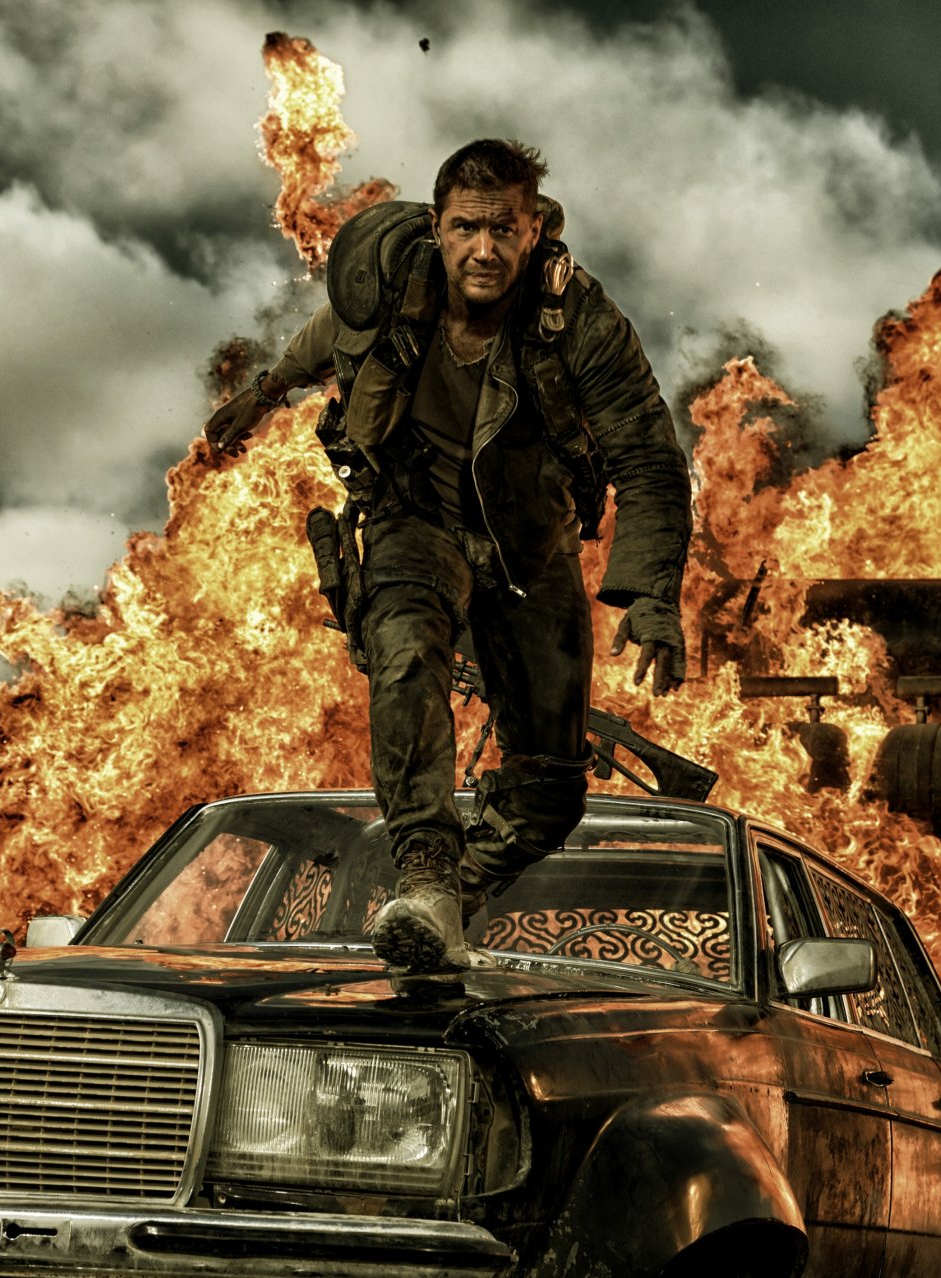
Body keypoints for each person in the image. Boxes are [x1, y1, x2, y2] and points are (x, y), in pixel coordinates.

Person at [206, 139, 691, 973]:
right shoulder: (392, 279)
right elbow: (332, 333)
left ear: (535, 229)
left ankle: (442, 906)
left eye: (505, 228)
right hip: (413, 515)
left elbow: (647, 454)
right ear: (439, 226)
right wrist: (261, 391)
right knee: (403, 653)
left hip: (528, 548)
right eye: (468, 227)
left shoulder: (583, 322)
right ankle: (423, 868)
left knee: (550, 796)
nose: (486, 249)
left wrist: (651, 595)